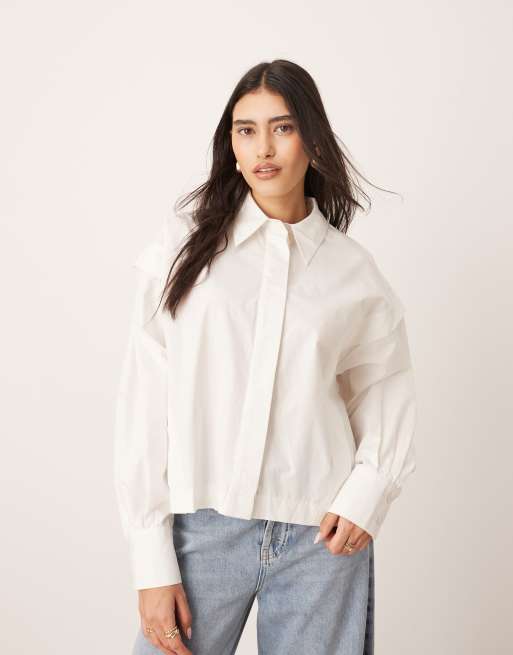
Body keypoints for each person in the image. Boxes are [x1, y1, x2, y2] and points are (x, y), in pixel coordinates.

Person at [114, 59, 417, 655]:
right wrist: (151, 559)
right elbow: (144, 398)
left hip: (320, 537)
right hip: (200, 530)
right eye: (246, 130)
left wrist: (368, 494)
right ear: (230, 145)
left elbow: (386, 386)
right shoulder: (182, 249)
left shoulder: (352, 271)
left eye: (282, 127)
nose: (264, 148)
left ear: (313, 139)